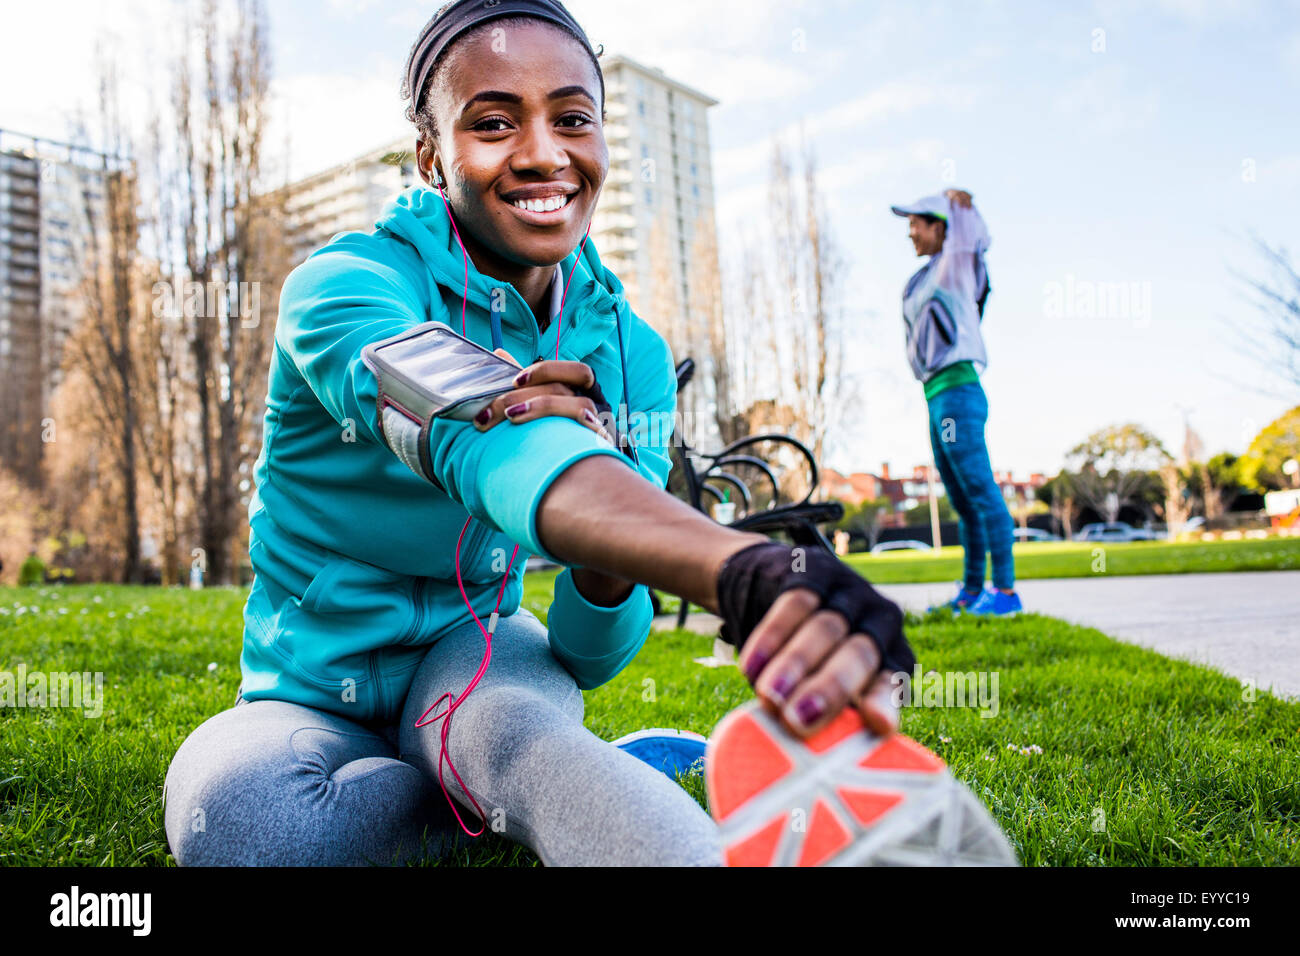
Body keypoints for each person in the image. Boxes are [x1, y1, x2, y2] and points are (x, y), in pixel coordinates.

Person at [163, 0, 1004, 867]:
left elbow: (588, 652)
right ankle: (481, 792)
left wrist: (611, 554)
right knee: (242, 823)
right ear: (430, 157)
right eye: (492, 122)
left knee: (516, 735)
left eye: (573, 118)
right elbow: (469, 428)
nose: (541, 153)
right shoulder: (343, 287)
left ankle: (549, 791)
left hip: (478, 658)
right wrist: (736, 567)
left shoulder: (630, 352)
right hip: (307, 690)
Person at [891, 190, 1021, 615]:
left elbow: (972, 239)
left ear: (940, 227)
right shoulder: (923, 277)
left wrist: (963, 207)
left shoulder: (954, 265)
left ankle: (1004, 593)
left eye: (917, 224)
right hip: (934, 395)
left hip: (958, 390)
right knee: (962, 501)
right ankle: (970, 591)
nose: (910, 232)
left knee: (981, 491)